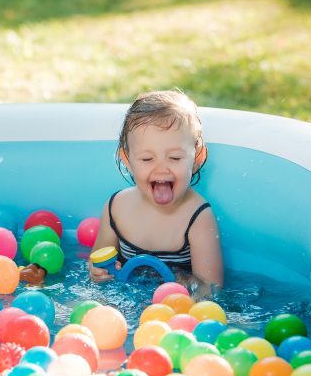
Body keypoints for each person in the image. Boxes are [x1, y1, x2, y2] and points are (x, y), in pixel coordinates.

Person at [88, 90, 224, 290]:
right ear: (127, 160)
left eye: (175, 158)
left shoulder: (198, 217)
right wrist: (97, 272)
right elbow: (96, 261)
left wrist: (186, 287)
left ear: (197, 158)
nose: (161, 168)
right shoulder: (116, 208)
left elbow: (211, 289)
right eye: (147, 159)